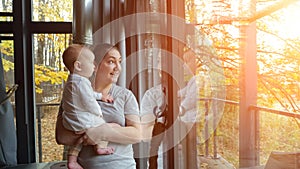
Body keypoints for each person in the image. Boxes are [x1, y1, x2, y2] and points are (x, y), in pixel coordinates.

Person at [56, 43, 141, 169]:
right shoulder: (73, 93)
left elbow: (137, 134)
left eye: (119, 61)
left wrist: (102, 132)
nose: (118, 67)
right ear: (95, 65)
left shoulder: (125, 96)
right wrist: (91, 133)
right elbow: (61, 137)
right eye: (111, 61)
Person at [61, 44, 114, 169]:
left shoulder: (72, 81)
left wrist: (101, 96)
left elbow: (88, 94)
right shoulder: (81, 82)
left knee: (79, 140)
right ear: (78, 66)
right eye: (91, 62)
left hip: (71, 121)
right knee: (103, 126)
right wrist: (98, 112)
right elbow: (88, 100)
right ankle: (100, 147)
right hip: (81, 120)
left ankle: (72, 160)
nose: (94, 66)